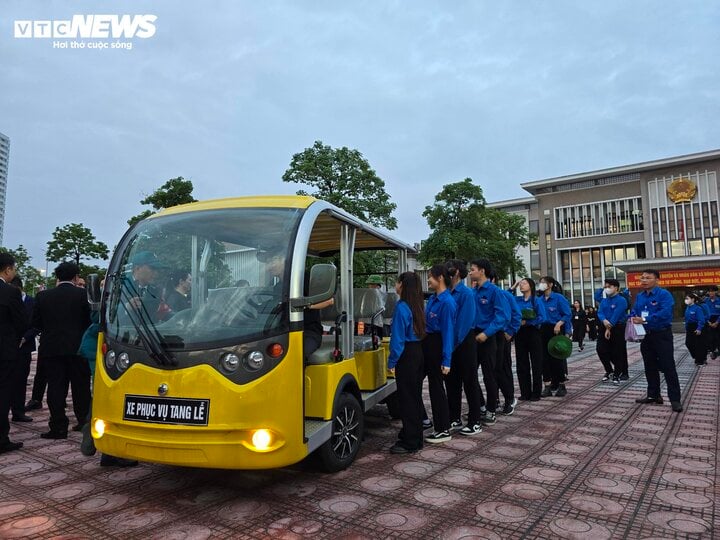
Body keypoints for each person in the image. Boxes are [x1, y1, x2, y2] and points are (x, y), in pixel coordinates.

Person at [33, 262, 92, 439]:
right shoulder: (83, 295)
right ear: (75, 277)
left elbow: (35, 323)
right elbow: (90, 321)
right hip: (78, 348)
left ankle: (58, 426)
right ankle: (83, 421)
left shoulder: (43, 296)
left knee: (55, 387)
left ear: (57, 277)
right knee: (81, 387)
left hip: (52, 348)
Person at [631, 269, 682, 413]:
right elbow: (635, 310)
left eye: (648, 278)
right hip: (646, 335)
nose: (644, 280)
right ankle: (653, 395)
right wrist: (633, 317)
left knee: (668, 366)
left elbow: (665, 313)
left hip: (662, 334)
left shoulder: (664, 294)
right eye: (642, 278)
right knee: (649, 365)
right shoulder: (640, 296)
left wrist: (645, 319)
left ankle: (675, 399)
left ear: (656, 280)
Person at [387, 272, 426, 454]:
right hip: (417, 352)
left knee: (407, 399)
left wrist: (391, 361)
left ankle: (410, 441)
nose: (395, 285)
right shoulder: (417, 305)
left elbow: (397, 339)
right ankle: (415, 436)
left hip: (406, 355)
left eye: (397, 281)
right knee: (414, 396)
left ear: (402, 285)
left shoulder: (402, 307)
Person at [444, 260, 483, 436]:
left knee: (470, 381)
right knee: (452, 382)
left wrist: (451, 344)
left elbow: (464, 323)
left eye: (449, 270)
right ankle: (454, 417)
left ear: (457, 272)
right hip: (450, 342)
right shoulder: (447, 293)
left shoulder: (466, 293)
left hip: (464, 341)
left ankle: (475, 421)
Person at [470, 259, 510, 426]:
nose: (470, 272)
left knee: (489, 375)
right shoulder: (472, 292)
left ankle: (491, 409)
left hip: (488, 337)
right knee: (470, 374)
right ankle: (479, 405)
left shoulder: (495, 292)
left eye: (472, 269)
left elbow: (502, 317)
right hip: (473, 336)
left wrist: (486, 333)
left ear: (482, 271)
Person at [422, 264, 457, 444]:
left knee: (437, 388)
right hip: (428, 344)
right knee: (433, 387)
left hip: (437, 345)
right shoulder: (434, 299)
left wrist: (447, 360)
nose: (428, 280)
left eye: (430, 276)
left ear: (440, 278)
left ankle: (443, 428)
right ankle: (434, 423)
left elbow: (448, 333)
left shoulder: (447, 302)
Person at [0, 253, 29, 454]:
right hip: (5, 351)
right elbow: (22, 323)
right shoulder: (10, 292)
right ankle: (1, 438)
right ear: (8, 269)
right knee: (3, 393)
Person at [491, 272, 521, 415]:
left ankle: (509, 398)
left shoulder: (504, 295)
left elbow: (516, 315)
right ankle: (494, 399)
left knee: (502, 368)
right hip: (487, 336)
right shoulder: (477, 294)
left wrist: (510, 332)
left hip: (502, 336)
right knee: (490, 370)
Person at [538, 276, 572, 397]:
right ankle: (547, 385)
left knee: (557, 358)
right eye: (540, 283)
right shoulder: (539, 299)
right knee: (544, 359)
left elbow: (567, 314)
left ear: (550, 284)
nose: (541, 285)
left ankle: (562, 385)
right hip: (543, 330)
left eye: (543, 282)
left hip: (556, 329)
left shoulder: (558, 298)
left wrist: (560, 323)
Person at [513, 278, 546, 401]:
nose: (521, 286)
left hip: (533, 332)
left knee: (536, 363)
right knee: (522, 363)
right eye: (520, 284)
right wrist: (513, 286)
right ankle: (525, 392)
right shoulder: (518, 300)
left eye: (524, 283)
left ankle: (536, 393)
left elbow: (542, 317)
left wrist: (528, 321)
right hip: (520, 333)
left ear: (531, 285)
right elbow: (506, 298)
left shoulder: (536, 300)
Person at [9, 277, 34, 422]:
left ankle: (18, 411)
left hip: (24, 347)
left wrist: (25, 338)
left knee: (21, 380)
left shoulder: (31, 302)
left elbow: (36, 323)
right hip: (8, 345)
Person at [596, 279, 628, 384]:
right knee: (600, 349)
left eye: (609, 287)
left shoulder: (622, 300)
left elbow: (616, 315)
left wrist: (609, 328)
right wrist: (604, 321)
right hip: (604, 326)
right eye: (605, 287)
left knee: (617, 351)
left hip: (617, 328)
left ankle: (617, 374)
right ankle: (609, 370)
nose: (607, 289)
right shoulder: (604, 300)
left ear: (616, 288)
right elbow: (600, 312)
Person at [684, 292, 707, 366]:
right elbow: (686, 319)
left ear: (693, 299)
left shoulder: (698, 308)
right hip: (689, 327)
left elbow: (701, 319)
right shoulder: (687, 308)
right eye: (685, 299)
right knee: (688, 343)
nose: (686, 300)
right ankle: (696, 356)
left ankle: (700, 360)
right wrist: (686, 327)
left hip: (696, 327)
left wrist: (699, 328)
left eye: (687, 299)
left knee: (698, 345)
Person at [705, 286, 720, 358]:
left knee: (718, 337)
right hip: (708, 320)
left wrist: (717, 322)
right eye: (709, 291)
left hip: (718, 320)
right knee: (710, 337)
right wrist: (708, 322)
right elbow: (703, 313)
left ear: (716, 292)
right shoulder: (705, 301)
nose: (711, 293)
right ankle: (712, 351)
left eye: (712, 291)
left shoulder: (719, 300)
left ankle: (717, 351)